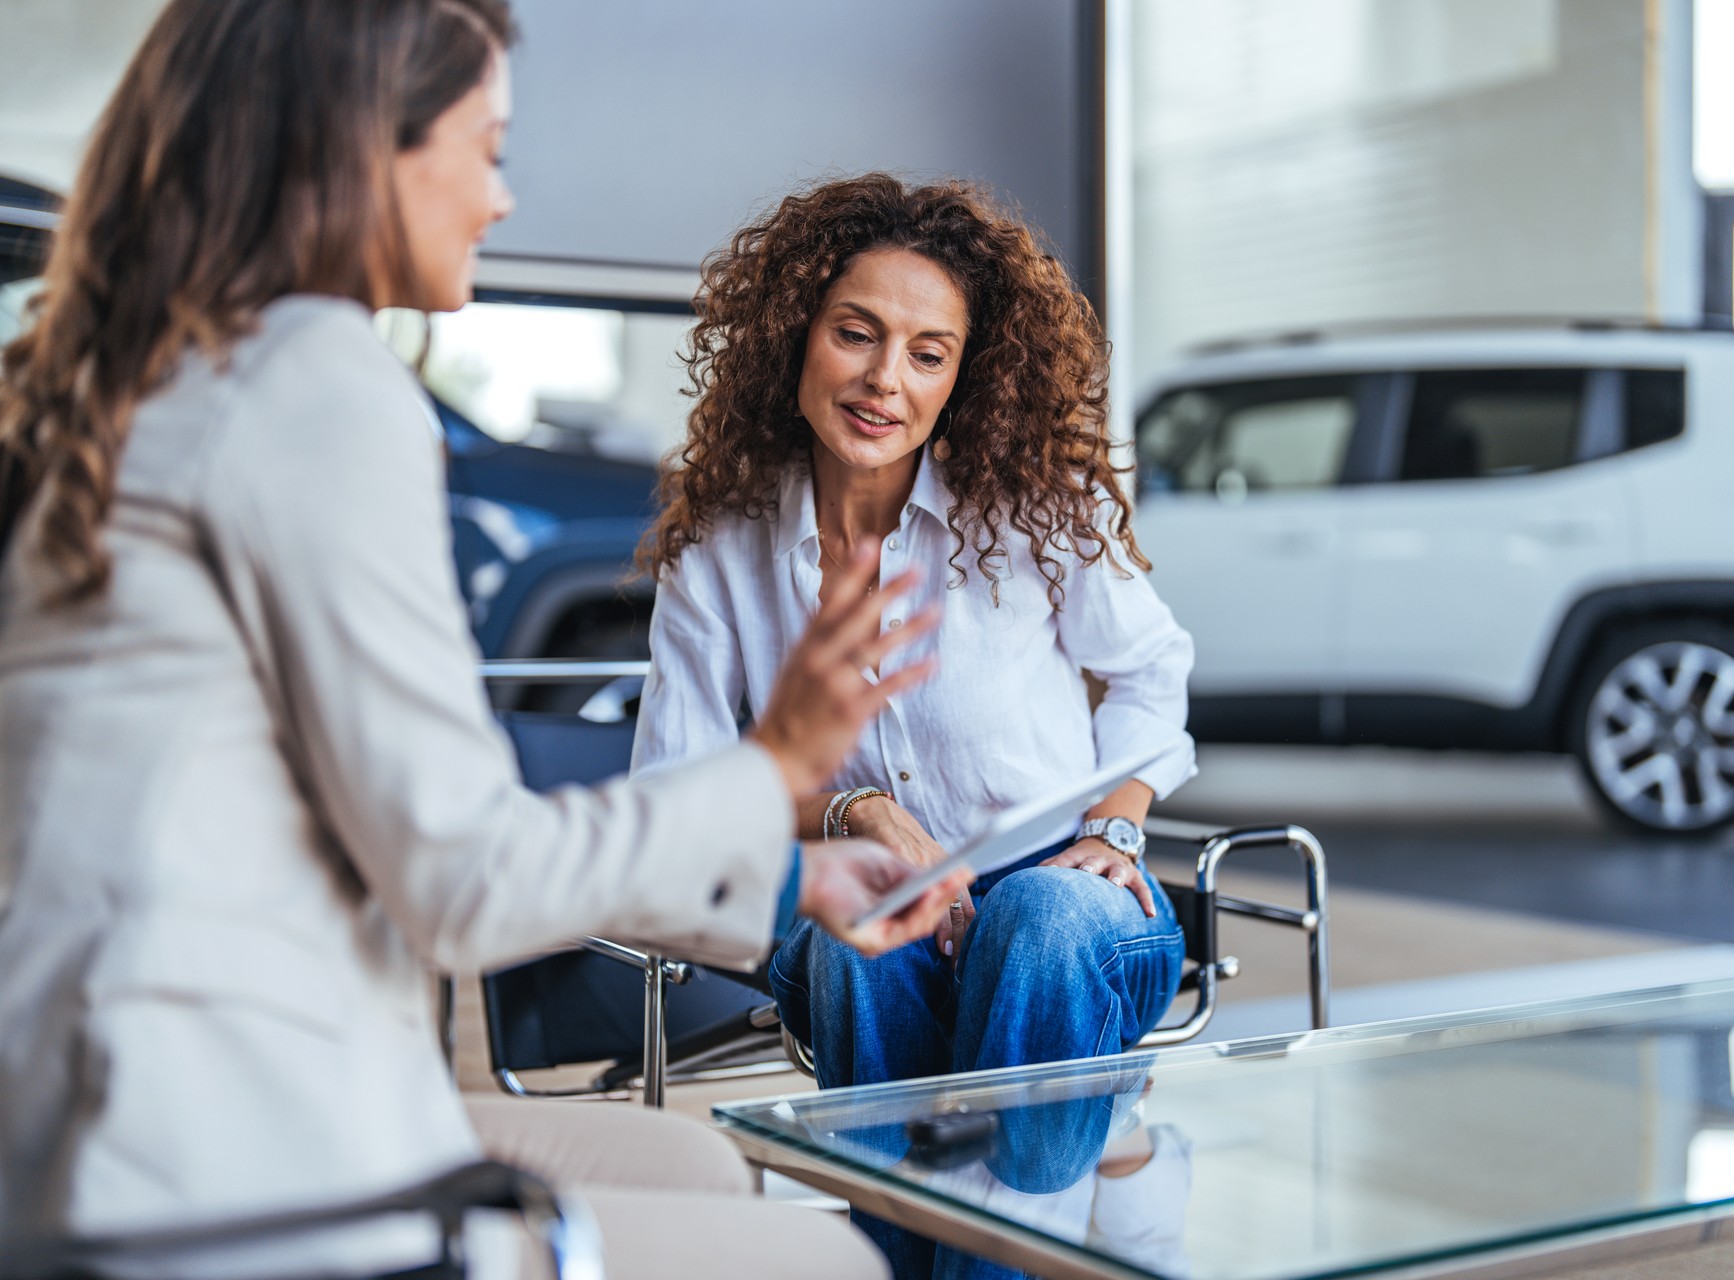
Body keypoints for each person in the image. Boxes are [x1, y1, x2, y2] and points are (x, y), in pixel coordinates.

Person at [0, 4, 962, 1276]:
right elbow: (463, 882)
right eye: (487, 145)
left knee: (697, 1161)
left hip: (78, 1103)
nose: (504, 199)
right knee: (833, 1263)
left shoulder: (121, 377)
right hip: (200, 1151)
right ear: (362, 149)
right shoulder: (315, 380)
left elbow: (404, 838)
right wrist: (778, 763)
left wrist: (789, 877)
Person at [631, 173, 1198, 1277]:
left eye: (928, 353)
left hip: (1067, 904)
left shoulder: (1036, 507)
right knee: (856, 935)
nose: (885, 379)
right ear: (796, 334)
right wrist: (849, 810)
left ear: (963, 377)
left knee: (1038, 915)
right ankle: (1108, 1140)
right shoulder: (721, 554)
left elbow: (1152, 674)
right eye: (857, 333)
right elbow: (678, 786)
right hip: (862, 914)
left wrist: (1118, 830)